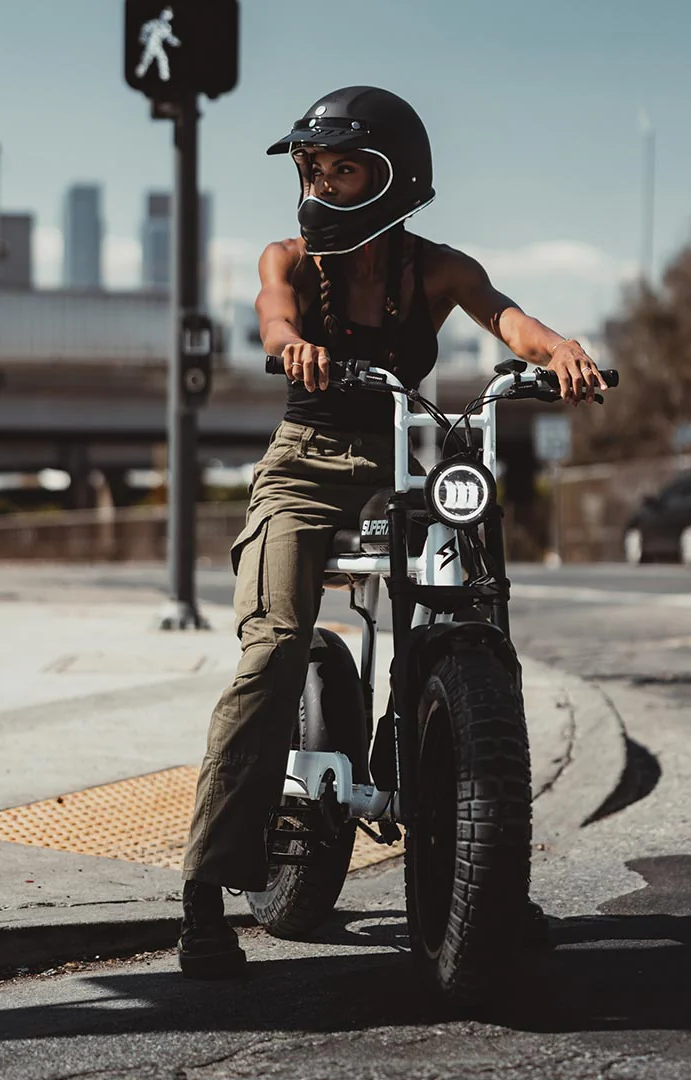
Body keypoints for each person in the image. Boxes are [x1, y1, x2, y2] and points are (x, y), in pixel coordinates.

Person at [178, 86, 609, 978]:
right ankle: (203, 892)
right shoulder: (289, 259)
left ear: (394, 179)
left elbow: (505, 317)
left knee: (475, 614)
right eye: (315, 171)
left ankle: (487, 861)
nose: (325, 186)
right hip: (303, 461)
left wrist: (559, 349)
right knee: (275, 647)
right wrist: (290, 342)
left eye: (345, 170)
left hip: (403, 455)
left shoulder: (436, 269)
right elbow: (273, 311)